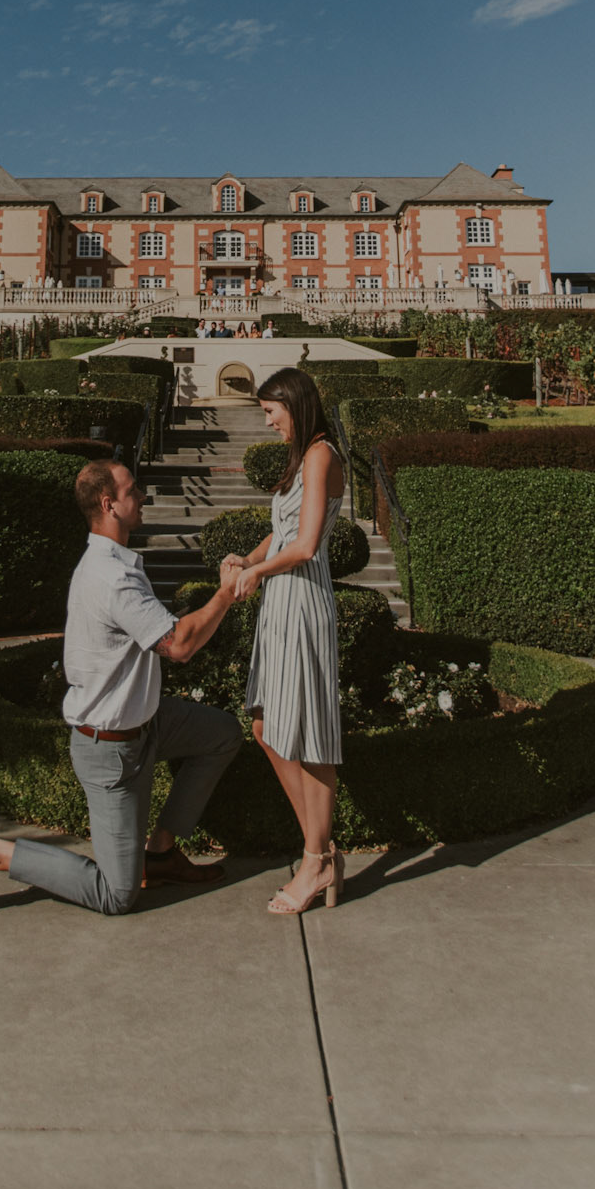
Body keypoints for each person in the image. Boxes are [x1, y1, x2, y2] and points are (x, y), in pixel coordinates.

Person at [0, 460, 243, 918]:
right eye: (133, 491)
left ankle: (161, 851)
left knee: (222, 733)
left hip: (148, 725)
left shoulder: (115, 564)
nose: (142, 496)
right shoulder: (113, 578)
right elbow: (179, 645)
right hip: (111, 750)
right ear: (109, 505)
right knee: (117, 895)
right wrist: (225, 593)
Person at [221, 367, 346, 916]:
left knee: (311, 737)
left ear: (295, 403)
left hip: (303, 599)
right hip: (281, 603)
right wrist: (246, 558)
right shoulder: (302, 459)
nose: (268, 421)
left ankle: (314, 860)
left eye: (271, 410)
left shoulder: (321, 455)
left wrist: (260, 572)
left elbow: (308, 544)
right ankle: (320, 852)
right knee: (267, 727)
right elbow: (284, 530)